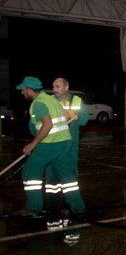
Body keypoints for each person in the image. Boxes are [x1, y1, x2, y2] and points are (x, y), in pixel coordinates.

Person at [16, 76, 86, 228]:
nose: (22, 92)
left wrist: (32, 144)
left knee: (30, 172)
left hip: (49, 143)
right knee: (67, 176)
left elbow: (47, 125)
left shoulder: (39, 103)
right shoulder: (51, 100)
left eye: (23, 89)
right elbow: (66, 116)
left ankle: (33, 207)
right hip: (64, 141)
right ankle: (78, 207)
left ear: (29, 89)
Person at [45, 78, 90, 223]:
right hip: (52, 145)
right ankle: (54, 205)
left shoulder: (76, 101)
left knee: (70, 178)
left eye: (58, 86)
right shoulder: (48, 101)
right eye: (53, 86)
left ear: (66, 86)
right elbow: (36, 122)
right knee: (52, 178)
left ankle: (72, 206)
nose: (55, 89)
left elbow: (83, 120)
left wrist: (70, 114)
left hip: (70, 147)